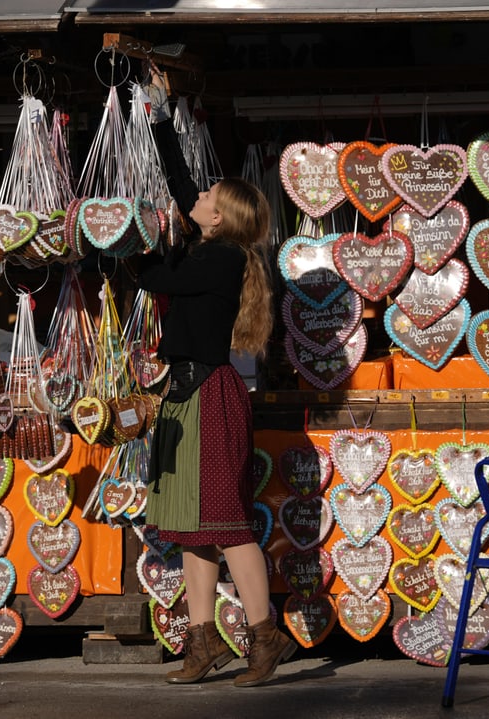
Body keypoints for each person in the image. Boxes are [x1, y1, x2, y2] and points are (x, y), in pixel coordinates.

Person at [136, 69, 296, 688]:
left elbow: (156, 279)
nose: (194, 198)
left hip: (209, 395)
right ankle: (200, 644)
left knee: (224, 522)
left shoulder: (221, 258)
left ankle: (264, 636)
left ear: (218, 218)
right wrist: (157, 115)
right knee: (188, 525)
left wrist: (120, 246)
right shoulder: (211, 248)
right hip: (185, 394)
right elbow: (178, 184)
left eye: (205, 198)